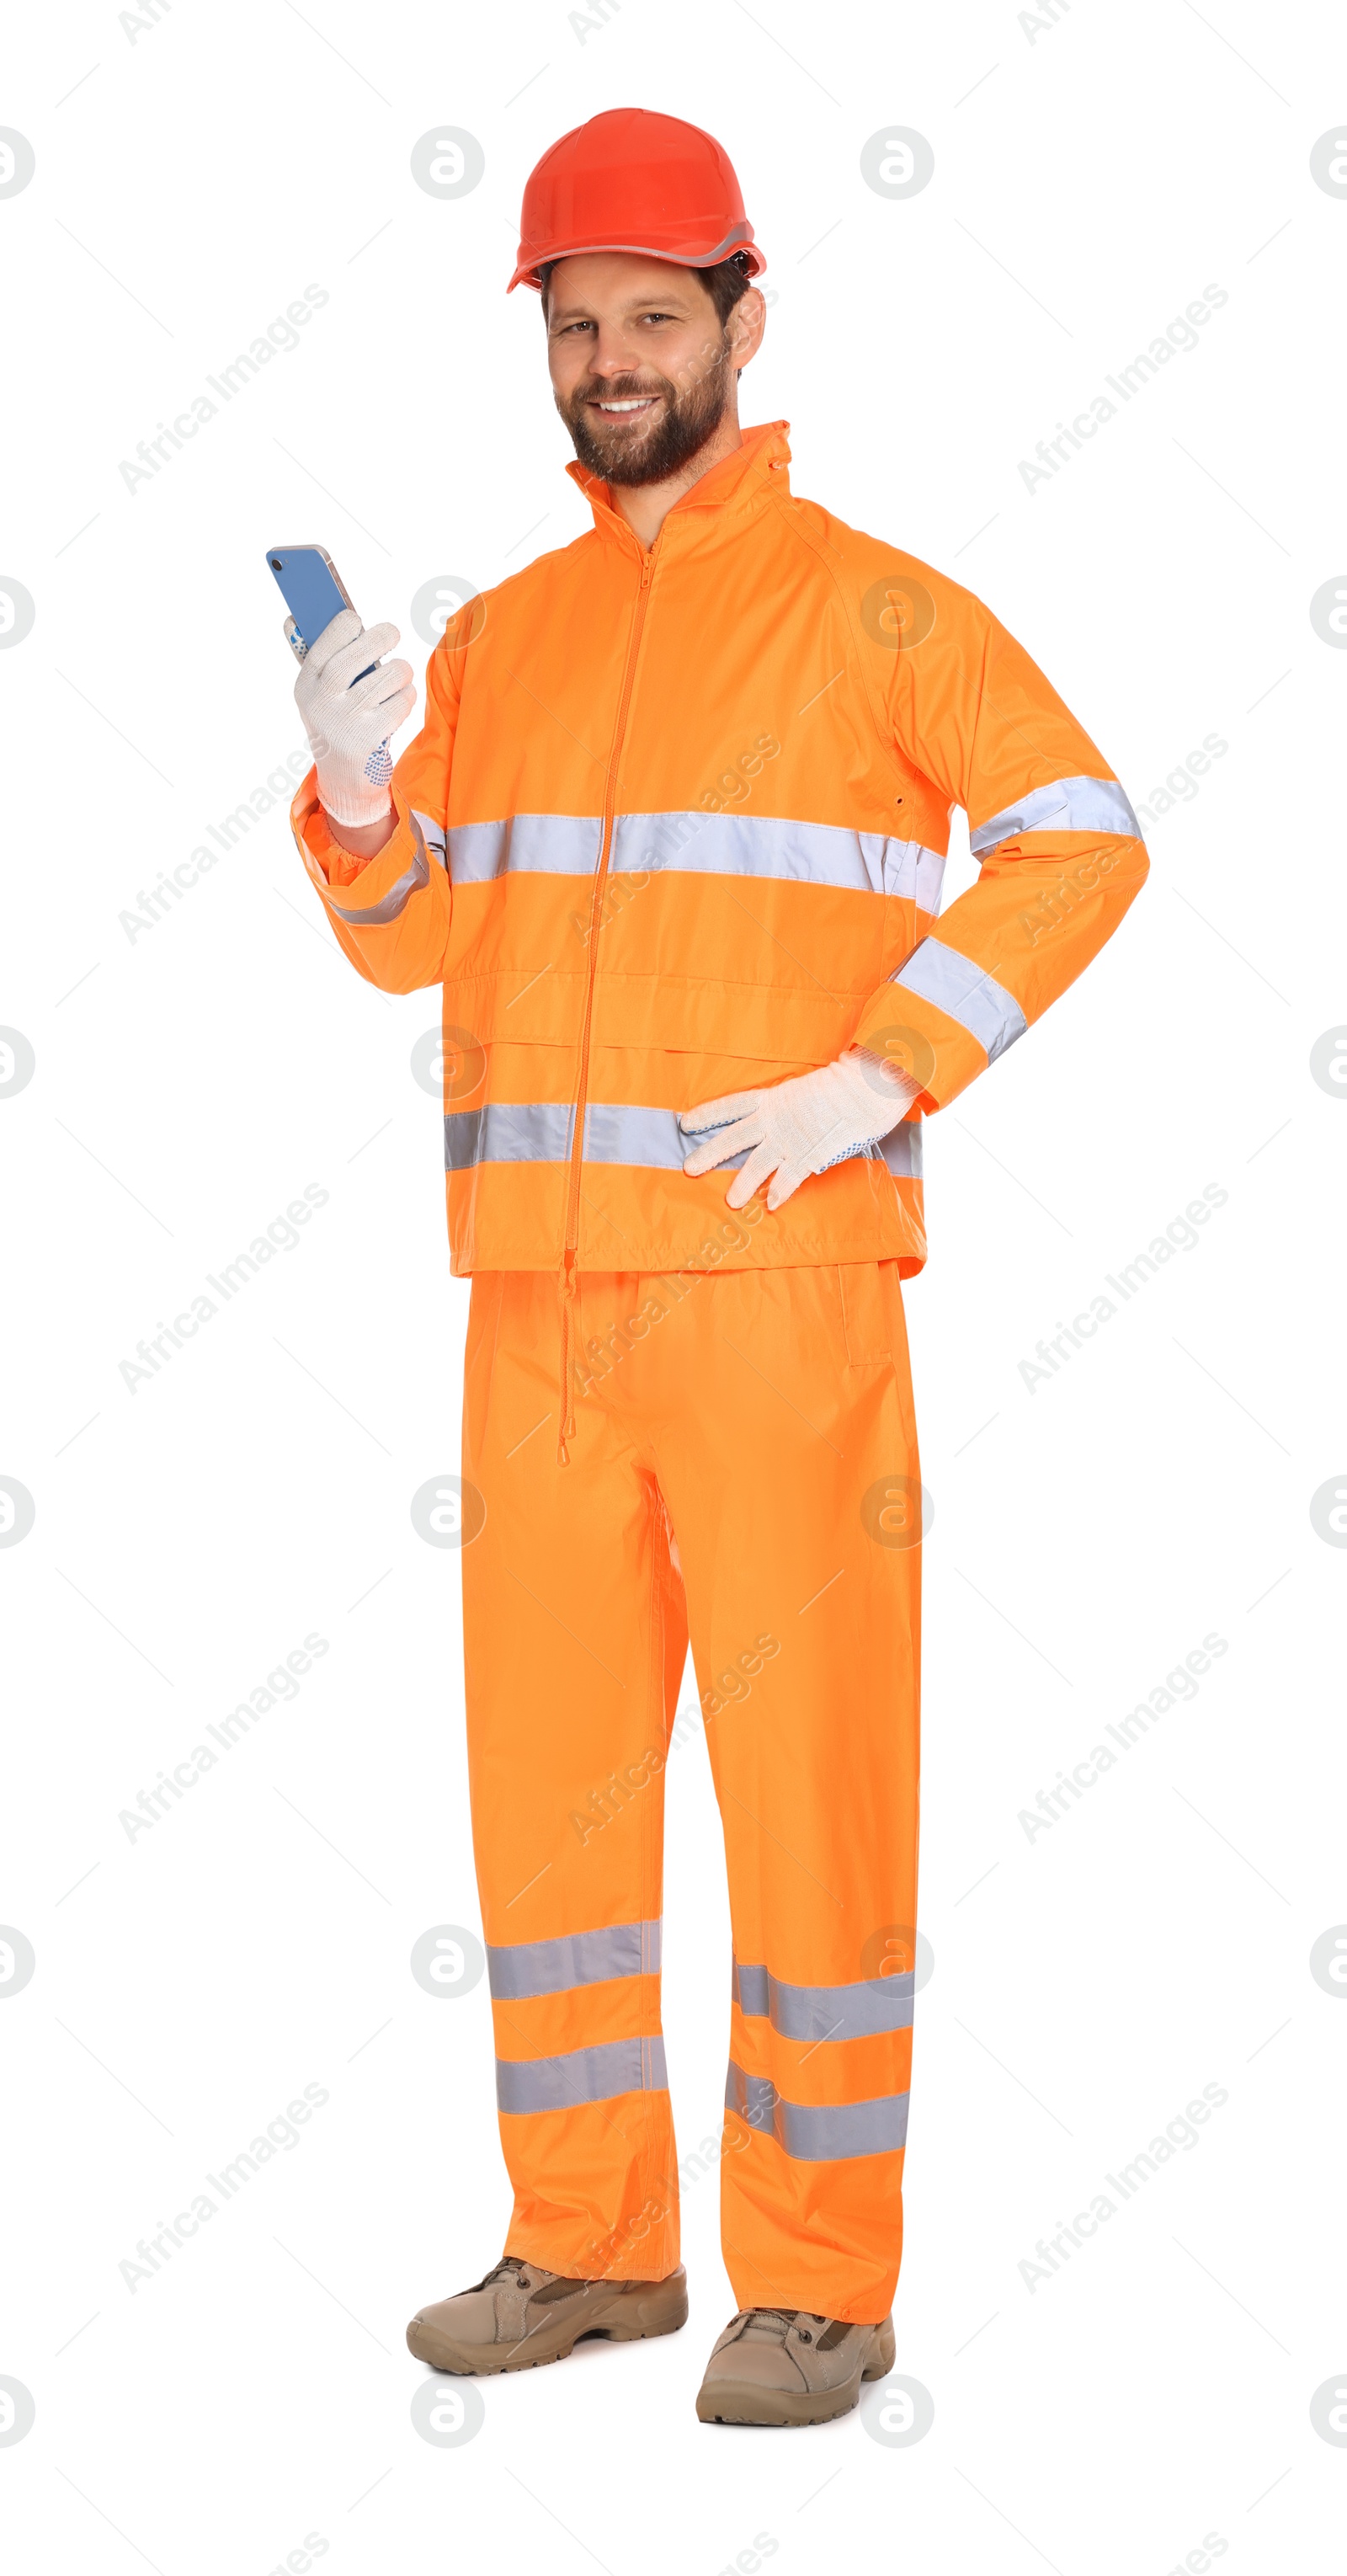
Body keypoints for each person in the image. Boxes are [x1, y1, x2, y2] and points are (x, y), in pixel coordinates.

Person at [286, 106, 1147, 2428]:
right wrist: (359, 803)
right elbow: (413, 950)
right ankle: (587, 2245)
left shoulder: (879, 607)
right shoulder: (511, 637)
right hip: (538, 1312)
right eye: (577, 327)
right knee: (549, 1806)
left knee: (810, 1791)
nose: (614, 361)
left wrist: (890, 1071)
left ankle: (819, 2279)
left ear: (746, 319)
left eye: (656, 318)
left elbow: (1085, 832)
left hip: (778, 1295)